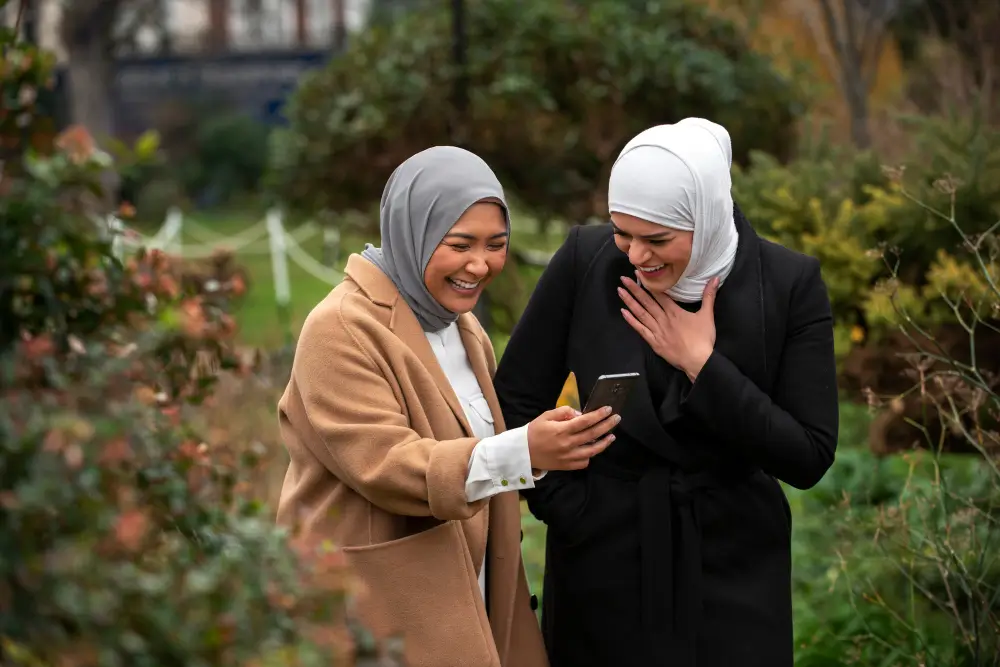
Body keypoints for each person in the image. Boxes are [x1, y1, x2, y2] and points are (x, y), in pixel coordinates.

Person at [494, 119, 840, 667]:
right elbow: (511, 400)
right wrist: (566, 507)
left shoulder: (786, 284)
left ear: (704, 216)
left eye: (657, 239)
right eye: (622, 232)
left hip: (733, 563)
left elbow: (809, 456)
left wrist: (703, 365)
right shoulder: (587, 261)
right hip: (600, 557)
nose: (634, 255)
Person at [275, 146, 618, 667]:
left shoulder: (462, 327)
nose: (480, 265)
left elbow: (479, 448)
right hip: (380, 605)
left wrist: (554, 448)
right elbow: (387, 465)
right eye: (459, 244)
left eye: (496, 245)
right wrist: (522, 452)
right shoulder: (340, 328)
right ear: (412, 232)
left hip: (468, 590)